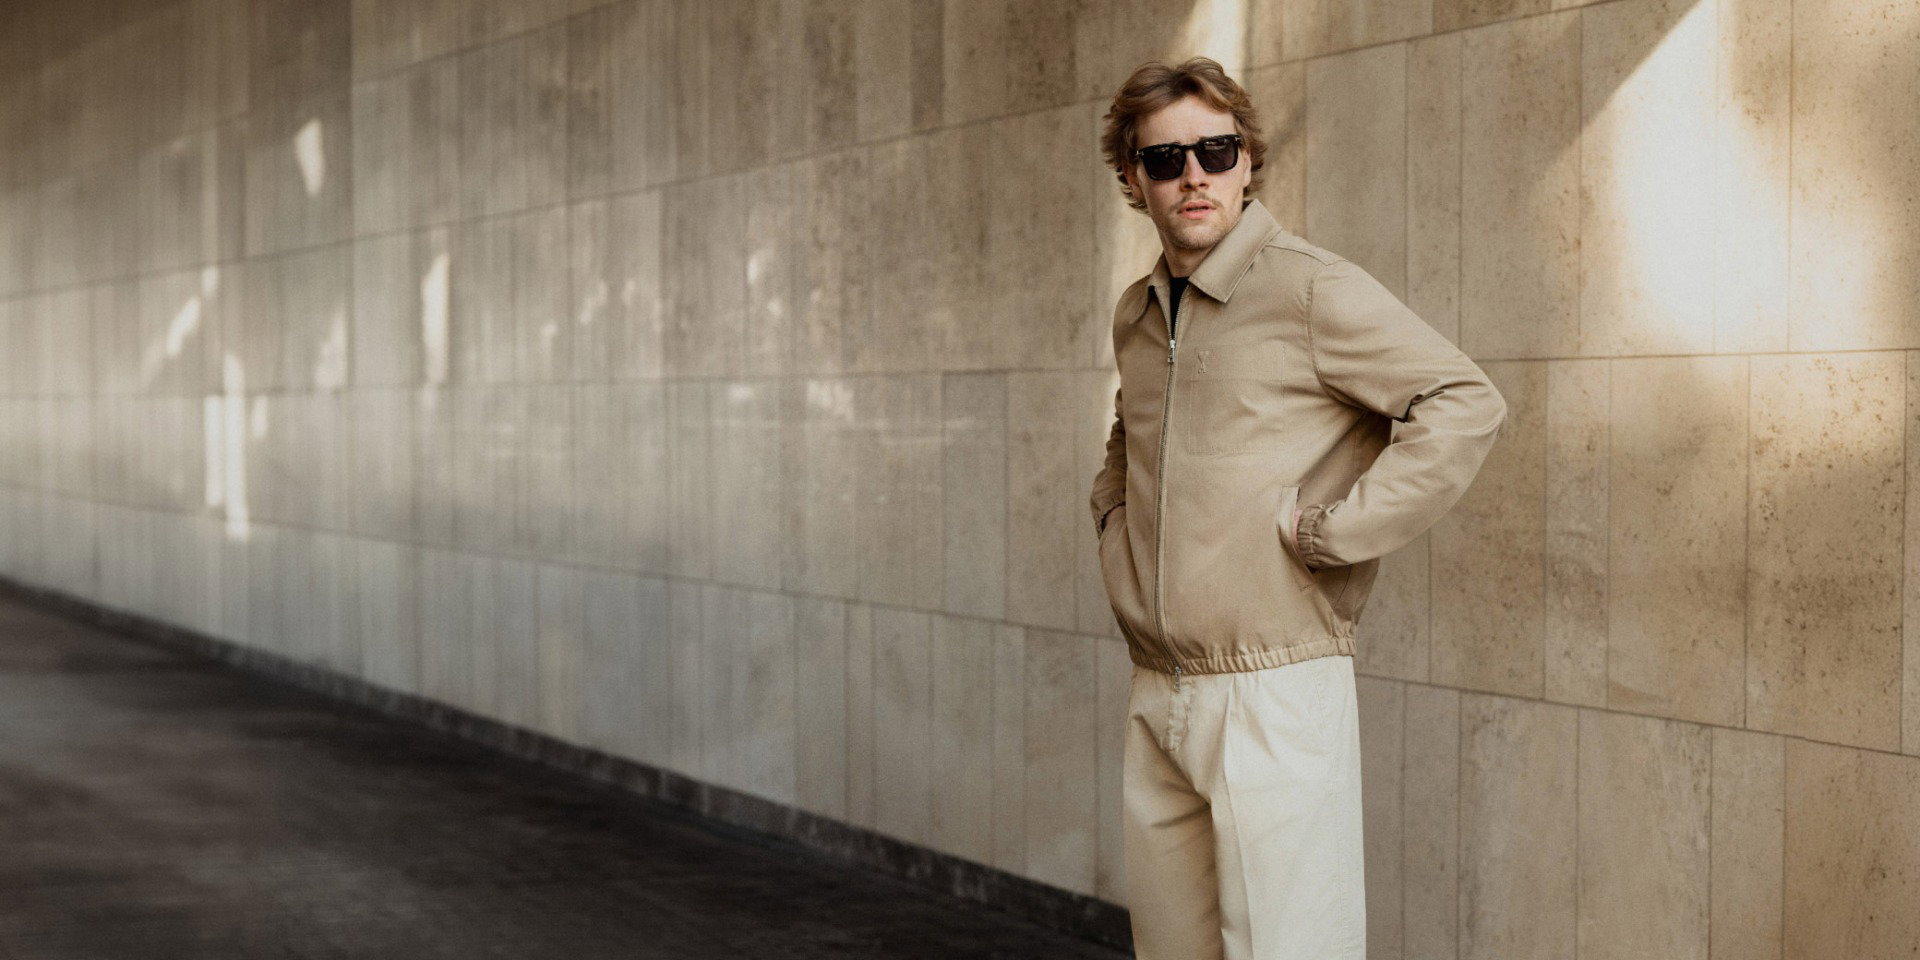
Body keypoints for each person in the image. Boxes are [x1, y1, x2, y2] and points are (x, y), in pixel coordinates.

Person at [1089, 57, 1508, 960]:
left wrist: (1338, 531)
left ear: (1247, 162)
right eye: (1166, 160)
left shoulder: (1307, 287)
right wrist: (1113, 523)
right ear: (1134, 178)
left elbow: (1463, 399)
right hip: (1157, 684)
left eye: (1215, 150)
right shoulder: (1136, 314)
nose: (1193, 174)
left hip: (1274, 687)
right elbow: (1128, 434)